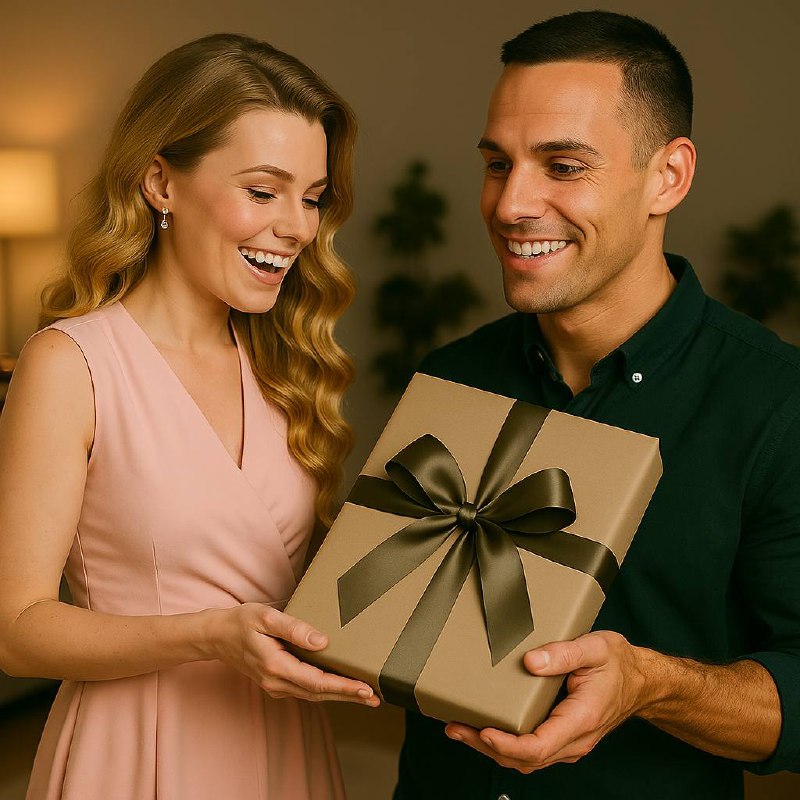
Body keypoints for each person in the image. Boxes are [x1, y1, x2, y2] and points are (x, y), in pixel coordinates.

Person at [394, 11, 800, 800]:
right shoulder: (451, 376)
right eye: (496, 164)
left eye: (563, 166)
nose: (511, 205)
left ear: (668, 177)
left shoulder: (777, 404)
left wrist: (649, 682)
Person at [0, 33, 380, 800]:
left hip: (285, 751)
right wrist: (211, 634)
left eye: (310, 198)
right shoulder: (71, 363)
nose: (299, 228)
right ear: (160, 183)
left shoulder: (284, 365)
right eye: (263, 191)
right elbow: (17, 631)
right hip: (137, 753)